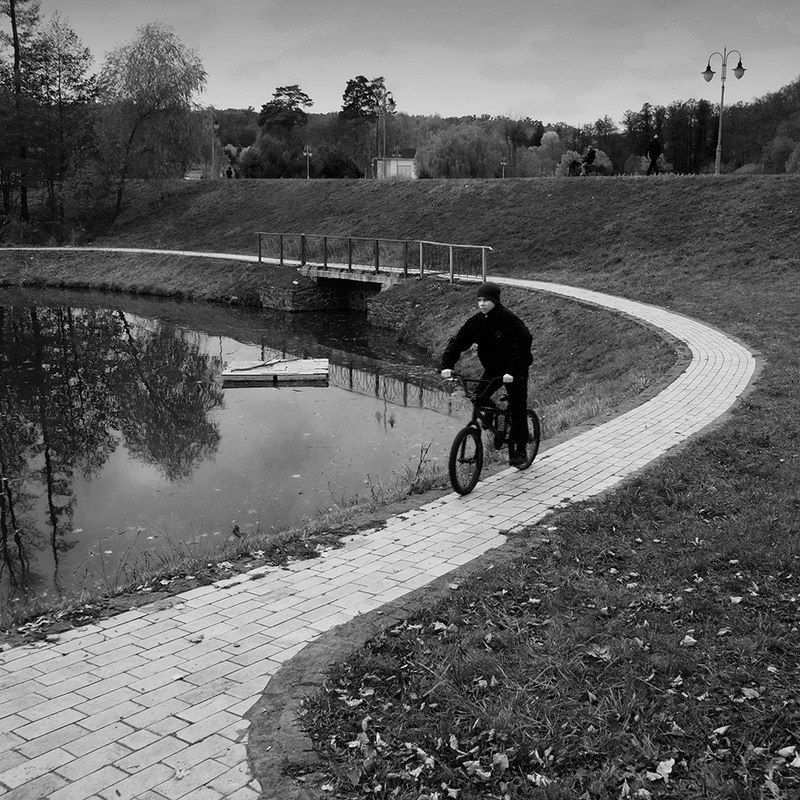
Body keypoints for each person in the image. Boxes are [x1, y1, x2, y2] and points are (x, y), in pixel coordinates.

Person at [440, 282, 533, 467]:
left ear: (495, 301)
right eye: (479, 300)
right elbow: (458, 342)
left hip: (516, 370)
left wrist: (513, 372)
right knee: (478, 398)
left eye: (486, 300)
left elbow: (522, 344)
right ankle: (491, 416)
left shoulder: (509, 320)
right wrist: (447, 365)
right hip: (494, 368)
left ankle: (520, 449)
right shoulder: (476, 322)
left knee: (517, 407)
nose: (482, 304)